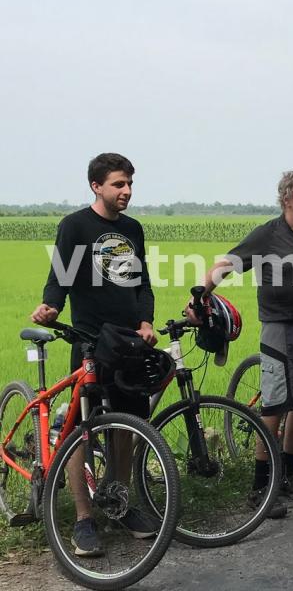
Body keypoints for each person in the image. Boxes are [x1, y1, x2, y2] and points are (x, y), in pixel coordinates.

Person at [195, 170, 293, 515]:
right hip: (280, 328)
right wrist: (198, 298)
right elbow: (225, 264)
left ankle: (286, 476)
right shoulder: (268, 235)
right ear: (287, 198)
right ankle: (260, 488)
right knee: (275, 406)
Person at [30, 153, 159, 557]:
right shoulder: (75, 226)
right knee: (79, 429)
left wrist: (146, 322)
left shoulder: (133, 229)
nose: (127, 191)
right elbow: (60, 279)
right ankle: (84, 519)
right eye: (119, 184)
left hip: (129, 343)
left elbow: (142, 285)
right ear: (96, 186)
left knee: (129, 427)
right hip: (90, 341)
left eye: (130, 184)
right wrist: (50, 307)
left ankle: (118, 502)